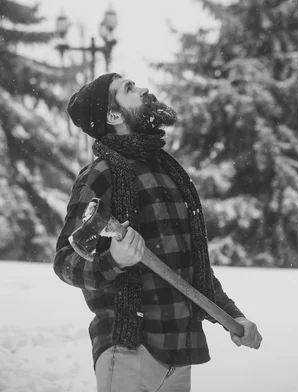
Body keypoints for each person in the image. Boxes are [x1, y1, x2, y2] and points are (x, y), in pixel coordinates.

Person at [53, 72, 262, 392]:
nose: (144, 89)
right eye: (129, 89)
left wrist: (232, 316)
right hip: (128, 351)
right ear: (113, 115)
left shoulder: (168, 171)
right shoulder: (102, 174)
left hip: (178, 352)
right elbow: (66, 262)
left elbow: (191, 267)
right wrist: (114, 260)